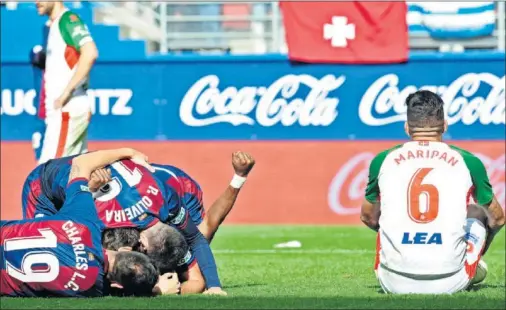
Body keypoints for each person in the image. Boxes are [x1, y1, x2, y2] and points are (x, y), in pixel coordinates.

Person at [21, 151, 254, 294]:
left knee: (200, 238)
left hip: (153, 185)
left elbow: (196, 243)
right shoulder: (99, 220)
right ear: (140, 245)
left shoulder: (167, 203)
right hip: (47, 187)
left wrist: (213, 286)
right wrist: (155, 291)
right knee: (60, 262)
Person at [360, 90, 505, 294]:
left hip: (392, 281)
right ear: (444, 125)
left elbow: (367, 217)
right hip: (451, 281)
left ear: (407, 127)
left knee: (384, 213)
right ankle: (471, 262)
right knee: (478, 212)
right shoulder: (468, 161)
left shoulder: (383, 160)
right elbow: (498, 219)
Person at [1, 148, 159, 297]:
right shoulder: (92, 288)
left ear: (125, 248)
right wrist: (156, 290)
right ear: (117, 286)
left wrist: (129, 152)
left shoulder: (85, 222)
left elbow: (81, 163)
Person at [35, 1, 98, 164]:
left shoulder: (67, 20)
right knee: (74, 173)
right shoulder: (54, 25)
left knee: (46, 174)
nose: (36, 2)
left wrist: (65, 93)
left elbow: (90, 52)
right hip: (67, 109)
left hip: (67, 108)